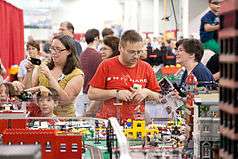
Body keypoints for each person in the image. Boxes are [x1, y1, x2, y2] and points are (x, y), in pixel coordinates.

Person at [88, 30, 164, 121]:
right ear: (120, 48)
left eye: (139, 52)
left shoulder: (146, 68)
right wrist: (116, 93)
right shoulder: (106, 65)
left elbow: (160, 97)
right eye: (131, 52)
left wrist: (147, 92)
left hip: (137, 124)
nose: (136, 56)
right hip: (111, 123)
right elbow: (91, 94)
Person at [30, 34, 84, 117]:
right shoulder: (43, 66)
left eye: (58, 49)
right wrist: (29, 72)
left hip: (64, 121)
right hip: (42, 119)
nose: (54, 52)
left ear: (69, 51)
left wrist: (49, 77)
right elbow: (30, 92)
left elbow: (65, 101)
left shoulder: (76, 74)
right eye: (52, 48)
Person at [85, 35, 120, 116]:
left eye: (105, 49)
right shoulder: (104, 65)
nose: (101, 52)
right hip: (105, 112)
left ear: (114, 50)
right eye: (100, 49)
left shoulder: (113, 67)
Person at [77, 29, 102, 116]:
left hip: (83, 92)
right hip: (94, 94)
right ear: (96, 38)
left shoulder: (82, 54)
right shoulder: (98, 56)